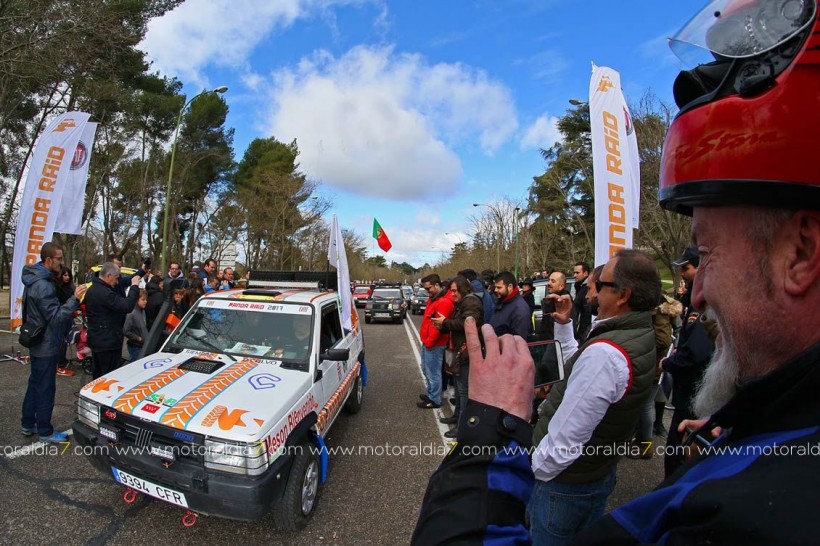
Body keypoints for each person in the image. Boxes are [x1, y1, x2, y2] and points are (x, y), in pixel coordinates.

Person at [419, 3, 820, 543]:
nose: (696, 290)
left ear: (801, 253)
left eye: (709, 253)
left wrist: (492, 446)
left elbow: (570, 429)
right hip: (595, 477)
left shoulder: (753, 513)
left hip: (562, 487)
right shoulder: (627, 338)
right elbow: (580, 373)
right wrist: (743, 430)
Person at [528, 250, 660, 544]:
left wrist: (533, 472)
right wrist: (564, 325)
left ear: (623, 294)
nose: (591, 294)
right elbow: (581, 367)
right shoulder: (634, 332)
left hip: (564, 486)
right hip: (595, 473)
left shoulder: (607, 353)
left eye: (599, 286)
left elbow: (566, 440)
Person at [20, 242, 87, 443]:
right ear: (48, 260)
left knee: (35, 383)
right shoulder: (43, 285)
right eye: (59, 259)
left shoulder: (37, 278)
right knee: (45, 388)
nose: (62, 262)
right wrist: (75, 299)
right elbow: (56, 317)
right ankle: (45, 431)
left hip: (37, 339)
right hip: (45, 343)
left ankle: (27, 423)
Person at [660, 246, 716, 477]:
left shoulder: (703, 305)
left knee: (678, 454)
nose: (682, 273)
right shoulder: (693, 301)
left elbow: (695, 354)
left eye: (687, 268)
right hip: (690, 392)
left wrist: (668, 363)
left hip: (693, 395)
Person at [430, 275, 484, 439]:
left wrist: (445, 322)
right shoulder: (462, 302)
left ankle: (463, 426)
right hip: (459, 352)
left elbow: (466, 323)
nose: (452, 294)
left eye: (454, 291)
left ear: (462, 288)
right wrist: (442, 325)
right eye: (451, 291)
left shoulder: (471, 301)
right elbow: (456, 323)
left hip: (467, 353)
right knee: (460, 390)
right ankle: (457, 417)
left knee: (464, 391)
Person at [84, 261, 140, 378]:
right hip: (108, 342)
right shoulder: (105, 293)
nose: (117, 282)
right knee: (108, 376)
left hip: (98, 340)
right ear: (108, 276)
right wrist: (134, 286)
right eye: (116, 278)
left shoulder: (93, 289)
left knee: (98, 373)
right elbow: (127, 306)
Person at [417, 274, 455, 409]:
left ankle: (435, 399)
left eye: (429, 288)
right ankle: (432, 394)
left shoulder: (443, 302)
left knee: (433, 372)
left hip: (435, 344)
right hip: (429, 342)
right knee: (427, 369)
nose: (427, 291)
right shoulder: (434, 299)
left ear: (437, 285)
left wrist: (429, 342)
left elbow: (437, 326)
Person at [490, 271, 532, 339]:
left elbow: (519, 340)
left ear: (510, 286)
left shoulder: (520, 309)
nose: (495, 290)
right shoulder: (502, 302)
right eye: (495, 287)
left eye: (499, 287)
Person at [55, 266, 76, 377]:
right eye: (64, 275)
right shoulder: (58, 288)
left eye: (68, 275)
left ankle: (62, 360)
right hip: (61, 317)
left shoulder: (71, 287)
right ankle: (60, 365)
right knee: (61, 341)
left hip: (69, 317)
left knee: (65, 340)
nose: (67, 277)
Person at [538, 271, 570, 341]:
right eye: (549, 280)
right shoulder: (550, 300)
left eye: (553, 281)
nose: (548, 283)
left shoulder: (564, 303)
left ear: (561, 286)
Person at [123, 289, 149, 362]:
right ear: (136, 300)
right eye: (143, 299)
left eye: (146, 299)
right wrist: (138, 338)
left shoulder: (142, 311)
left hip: (142, 345)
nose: (145, 301)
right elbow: (126, 331)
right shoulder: (131, 313)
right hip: (135, 346)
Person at [572, 262, 592, 340]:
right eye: (574, 273)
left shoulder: (586, 289)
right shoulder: (579, 287)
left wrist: (581, 336)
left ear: (586, 273)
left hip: (583, 335)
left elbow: (586, 314)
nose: (574, 275)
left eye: (577, 273)